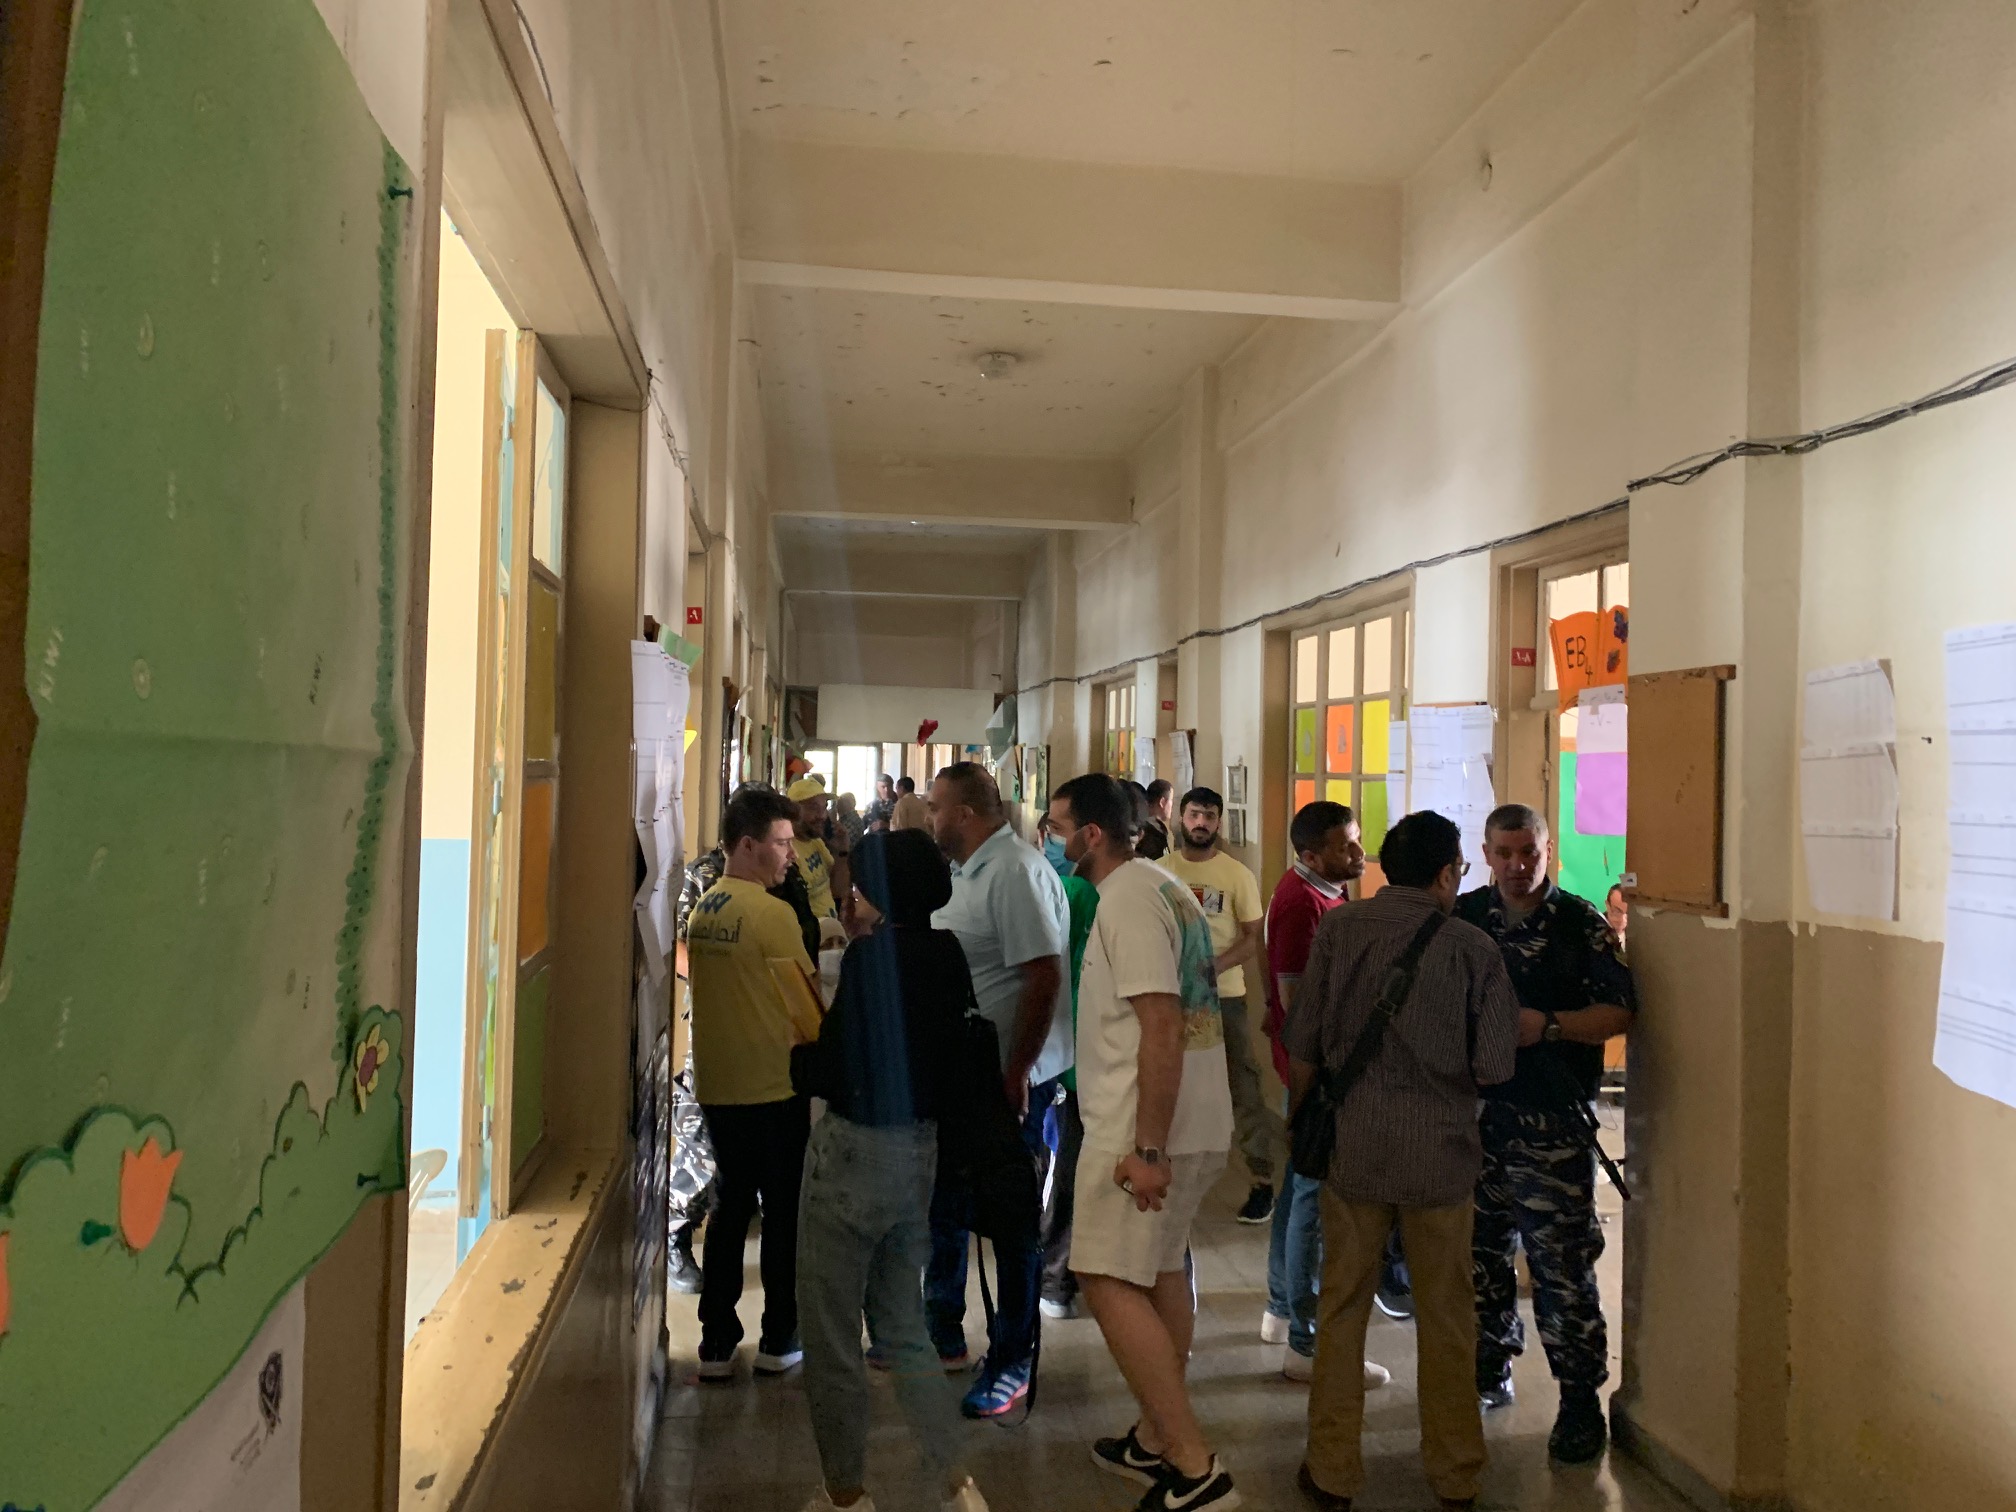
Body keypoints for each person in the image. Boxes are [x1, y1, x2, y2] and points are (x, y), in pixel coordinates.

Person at [1286, 811, 1519, 1512]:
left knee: (1342, 1307)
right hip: (1442, 1160)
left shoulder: (1340, 929)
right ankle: (1455, 1473)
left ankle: (1331, 1471)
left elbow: (1306, 1042)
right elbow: (1495, 1063)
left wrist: (1305, 1124)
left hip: (1355, 1151)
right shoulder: (1475, 950)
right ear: (1449, 872)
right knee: (1447, 1316)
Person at [1047, 772, 1239, 1512]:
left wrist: (1147, 1149)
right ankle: (1156, 1438)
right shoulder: (1162, 885)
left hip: (1141, 1125)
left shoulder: (1127, 901)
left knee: (1101, 1276)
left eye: (1059, 824)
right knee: (1161, 1268)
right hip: (1188, 1115)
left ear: (1091, 834)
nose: (1053, 837)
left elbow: (1160, 1023)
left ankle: (1194, 1463)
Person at [789, 830, 992, 1512]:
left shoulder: (871, 960)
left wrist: (799, 1055)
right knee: (903, 1325)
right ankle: (957, 1484)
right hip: (919, 1155)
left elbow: (836, 1066)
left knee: (833, 1334)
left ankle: (846, 1495)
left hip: (851, 1155)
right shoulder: (949, 954)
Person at [1457, 805, 1636, 1465]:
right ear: (1485, 852)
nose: (1516, 865)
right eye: (1504, 852)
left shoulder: (1579, 924)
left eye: (1528, 851)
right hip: (1475, 1121)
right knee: (1477, 1258)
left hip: (1552, 1123)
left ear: (1547, 848)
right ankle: (1487, 1363)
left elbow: (1620, 1011)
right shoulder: (1466, 918)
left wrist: (1550, 1026)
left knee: (1561, 1266)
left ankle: (1580, 1401)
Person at [925, 762, 1072, 1417]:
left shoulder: (1013, 871)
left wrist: (1016, 1073)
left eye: (935, 807)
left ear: (962, 812)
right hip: (968, 1074)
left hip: (1014, 1081)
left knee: (1012, 1230)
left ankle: (1012, 1360)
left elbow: (1043, 978)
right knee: (949, 1202)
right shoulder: (970, 868)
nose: (929, 818)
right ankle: (942, 1329)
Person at [687, 786, 826, 1381]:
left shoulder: (705, 909)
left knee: (728, 1209)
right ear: (747, 845)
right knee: (783, 1215)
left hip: (720, 1087)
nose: (790, 856)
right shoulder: (773, 915)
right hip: (773, 1087)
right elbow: (808, 1007)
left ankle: (716, 1343)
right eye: (780, 844)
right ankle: (779, 1336)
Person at [1258, 800, 1389, 1393]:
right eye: (1346, 847)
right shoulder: (1299, 905)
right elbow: (1295, 1003)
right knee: (1312, 1196)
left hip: (1317, 1069)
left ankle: (1282, 1306)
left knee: (1299, 1184)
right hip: (1316, 1073)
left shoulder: (1326, 895)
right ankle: (1305, 1344)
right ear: (1311, 856)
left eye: (1357, 842)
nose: (1359, 855)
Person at [1160, 786, 1279, 1225]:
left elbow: (1253, 936)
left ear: (1218, 822)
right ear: (1181, 818)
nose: (1201, 823)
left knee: (1242, 1085)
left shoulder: (1236, 875)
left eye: (1209, 816)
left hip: (1224, 998)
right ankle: (1163, 1169)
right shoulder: (1161, 871)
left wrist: (1215, 967)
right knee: (1170, 1080)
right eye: (1194, 814)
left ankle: (1261, 1180)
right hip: (1171, 997)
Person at [1038, 850, 1100, 1322]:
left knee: (1071, 1170)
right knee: (1071, 1170)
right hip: (1085, 1060)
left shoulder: (1077, 891)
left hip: (1077, 1057)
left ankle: (1060, 1276)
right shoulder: (1080, 892)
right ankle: (1057, 1276)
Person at [788, 777, 846, 919]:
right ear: (793, 811)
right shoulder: (786, 851)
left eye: (824, 807)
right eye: (813, 807)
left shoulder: (816, 841)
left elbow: (838, 890)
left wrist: (842, 850)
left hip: (832, 934)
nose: (822, 816)